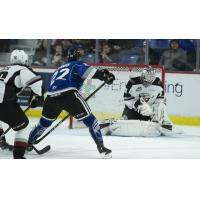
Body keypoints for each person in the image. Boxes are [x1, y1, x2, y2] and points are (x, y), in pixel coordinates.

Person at [28, 47, 115, 158]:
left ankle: (28, 143)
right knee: (91, 121)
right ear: (78, 56)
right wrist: (105, 76)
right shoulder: (77, 64)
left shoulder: (58, 69)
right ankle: (101, 148)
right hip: (69, 95)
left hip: (50, 98)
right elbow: (89, 72)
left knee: (44, 123)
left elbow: (53, 86)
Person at [100, 66, 173, 137]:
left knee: (161, 112)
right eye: (147, 79)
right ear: (143, 76)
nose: (148, 83)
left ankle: (160, 122)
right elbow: (127, 99)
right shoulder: (132, 82)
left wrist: (154, 112)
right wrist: (138, 106)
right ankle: (114, 122)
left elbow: (159, 102)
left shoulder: (159, 84)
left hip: (149, 112)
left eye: (152, 78)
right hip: (132, 110)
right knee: (125, 121)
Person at [0, 49, 43, 158]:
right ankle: (18, 156)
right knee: (23, 126)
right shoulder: (23, 69)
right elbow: (37, 81)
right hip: (3, 101)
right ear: (25, 60)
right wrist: (38, 96)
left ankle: (1, 140)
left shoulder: (4, 69)